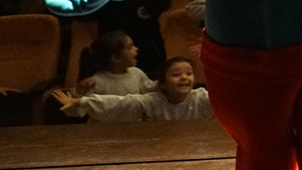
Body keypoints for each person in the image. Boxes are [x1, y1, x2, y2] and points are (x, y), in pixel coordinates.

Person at [51, 57, 210, 122]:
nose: (184, 78)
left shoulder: (202, 99)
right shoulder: (152, 102)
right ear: (162, 83)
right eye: (176, 74)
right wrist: (80, 101)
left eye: (189, 73)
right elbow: (119, 103)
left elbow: (224, 100)